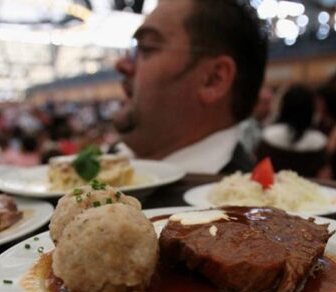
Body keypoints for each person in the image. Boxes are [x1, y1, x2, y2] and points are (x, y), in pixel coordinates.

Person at [112, 0, 268, 174]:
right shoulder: (102, 163)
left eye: (146, 47)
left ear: (213, 80)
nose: (121, 64)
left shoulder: (242, 199)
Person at [256, 85, 328, 177]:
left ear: (283, 107)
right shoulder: (319, 141)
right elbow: (325, 176)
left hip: (274, 190)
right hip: (308, 190)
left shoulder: (268, 136)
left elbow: (258, 170)